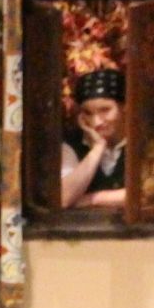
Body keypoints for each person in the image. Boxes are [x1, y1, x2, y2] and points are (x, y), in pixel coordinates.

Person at [58, 68, 128, 209]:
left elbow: (151, 194)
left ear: (125, 107)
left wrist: (93, 198)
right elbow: (63, 198)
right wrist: (98, 147)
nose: (96, 122)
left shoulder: (143, 140)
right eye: (88, 113)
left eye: (105, 110)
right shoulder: (72, 144)